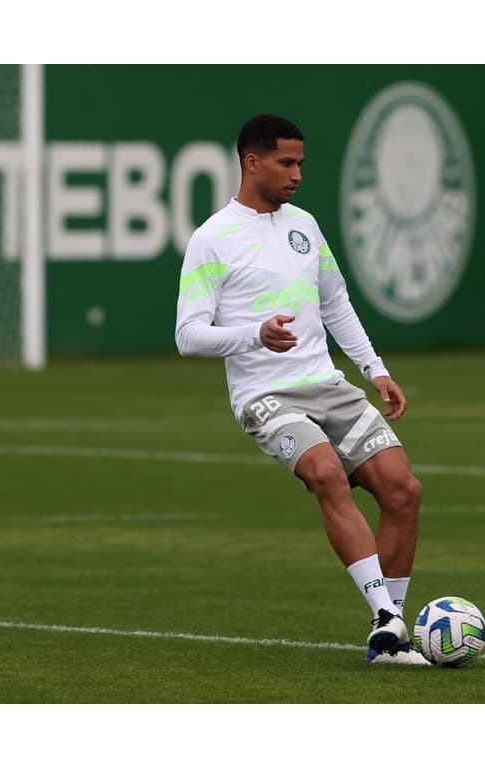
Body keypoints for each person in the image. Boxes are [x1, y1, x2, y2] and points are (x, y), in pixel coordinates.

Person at [175, 114, 427, 665]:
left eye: (301, 164)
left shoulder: (305, 226)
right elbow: (187, 335)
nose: (296, 174)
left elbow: (334, 300)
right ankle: (384, 617)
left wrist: (374, 368)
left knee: (403, 490)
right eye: (286, 163)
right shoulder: (212, 238)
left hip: (329, 385)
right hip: (265, 396)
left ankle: (393, 633)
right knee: (325, 473)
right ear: (252, 162)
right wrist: (254, 335)